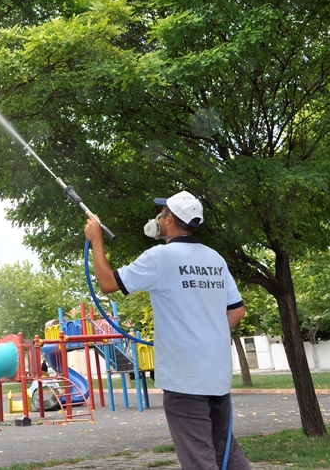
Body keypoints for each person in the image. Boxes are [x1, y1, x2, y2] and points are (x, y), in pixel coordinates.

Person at [84, 190, 252, 470]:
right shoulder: (215, 259)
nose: (158, 218)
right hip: (217, 375)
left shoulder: (160, 258)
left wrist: (96, 241)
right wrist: (205, 334)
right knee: (224, 447)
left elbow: (107, 283)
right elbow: (237, 310)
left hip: (185, 378)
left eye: (162, 214)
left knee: (199, 457)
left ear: (170, 220)